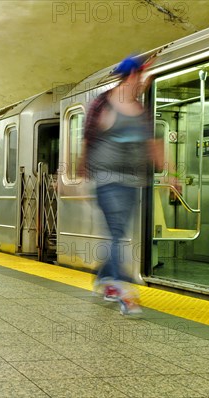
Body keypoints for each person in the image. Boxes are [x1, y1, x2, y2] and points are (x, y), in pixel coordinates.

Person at [82, 55, 161, 315]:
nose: (141, 79)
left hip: (132, 181)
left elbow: (150, 143)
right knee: (117, 232)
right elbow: (88, 138)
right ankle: (124, 290)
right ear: (131, 75)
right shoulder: (103, 104)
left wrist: (170, 173)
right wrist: (81, 170)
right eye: (139, 74)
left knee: (118, 232)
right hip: (107, 179)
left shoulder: (139, 108)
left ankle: (104, 276)